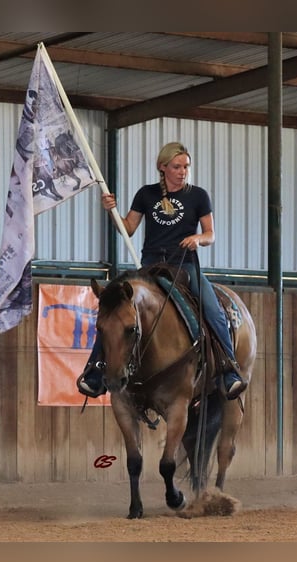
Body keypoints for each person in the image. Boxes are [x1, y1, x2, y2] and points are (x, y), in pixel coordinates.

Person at [76, 141, 247, 401]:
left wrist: (198, 239)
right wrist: (112, 211)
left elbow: (211, 234)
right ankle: (96, 371)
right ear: (163, 167)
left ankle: (228, 370)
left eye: (186, 166)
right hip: (150, 267)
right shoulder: (146, 194)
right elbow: (128, 228)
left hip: (184, 266)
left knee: (213, 310)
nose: (182, 172)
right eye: (177, 167)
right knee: (113, 313)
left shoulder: (198, 196)